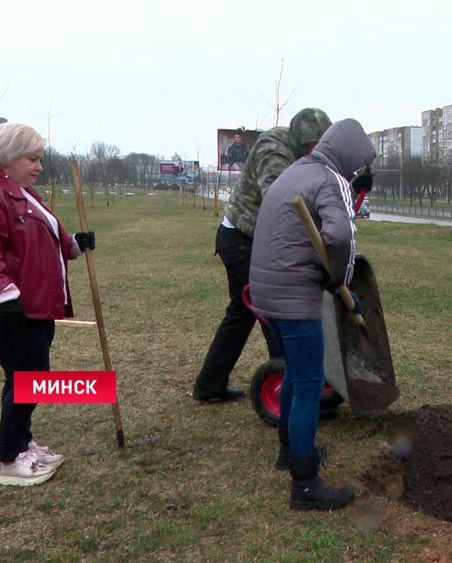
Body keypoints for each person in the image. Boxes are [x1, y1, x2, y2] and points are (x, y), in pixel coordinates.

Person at [249, 118, 376, 510]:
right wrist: (338, 278)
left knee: (293, 372)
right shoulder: (330, 179)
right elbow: (339, 236)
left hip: (267, 290)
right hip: (294, 294)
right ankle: (305, 485)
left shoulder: (295, 171)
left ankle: (288, 451)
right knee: (308, 382)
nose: (354, 173)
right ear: (349, 158)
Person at [193, 108, 331, 403]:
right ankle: (291, 388)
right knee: (276, 308)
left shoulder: (308, 153)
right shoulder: (273, 150)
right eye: (313, 147)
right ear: (300, 140)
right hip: (242, 237)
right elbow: (283, 202)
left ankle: (209, 385)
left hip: (257, 238)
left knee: (241, 313)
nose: (317, 153)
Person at [0, 123, 96, 486]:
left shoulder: (25, 193)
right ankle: (9, 458)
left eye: (40, 159)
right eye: (32, 158)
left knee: (23, 378)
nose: (38, 166)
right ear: (8, 156)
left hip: (38, 305)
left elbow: (52, 240)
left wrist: (75, 244)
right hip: (10, 310)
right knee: (30, 378)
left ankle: (21, 441)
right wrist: (4, 292)